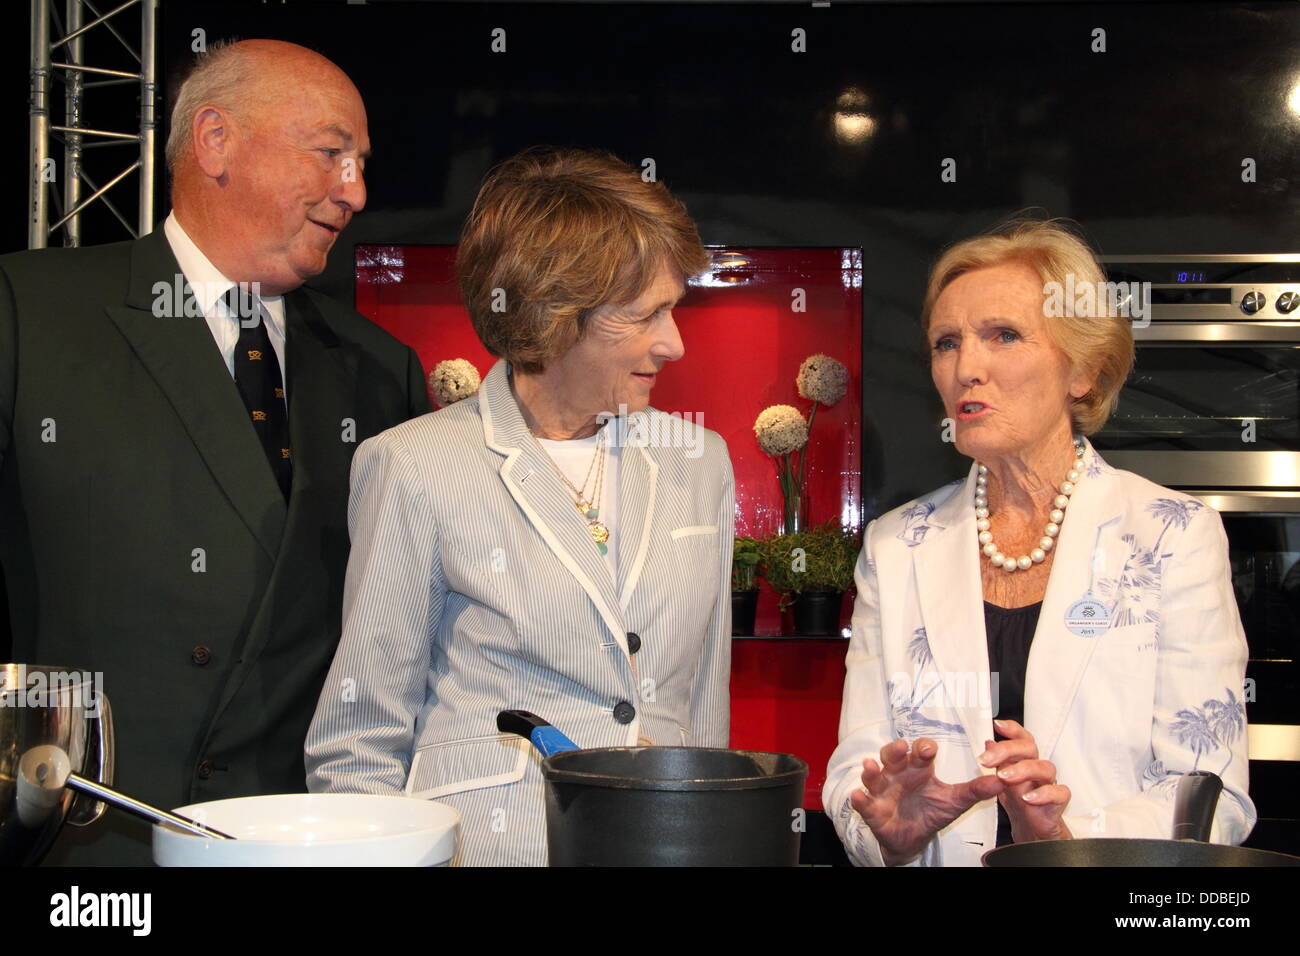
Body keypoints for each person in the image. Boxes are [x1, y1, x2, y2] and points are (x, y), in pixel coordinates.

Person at [0, 40, 429, 865]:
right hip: (95, 846)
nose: (356, 191)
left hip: (304, 838)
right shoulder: (32, 313)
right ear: (215, 140)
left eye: (362, 164)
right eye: (332, 152)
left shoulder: (381, 370)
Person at [306, 147, 733, 866]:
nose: (675, 342)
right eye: (647, 314)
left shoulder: (699, 460)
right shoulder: (413, 466)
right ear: (554, 312)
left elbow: (702, 706)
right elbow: (359, 739)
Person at [824, 218, 1256, 866]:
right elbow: (854, 769)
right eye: (947, 343)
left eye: (1003, 335)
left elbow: (1210, 793)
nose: (967, 367)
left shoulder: (1172, 535)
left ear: (1081, 369)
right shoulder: (896, 547)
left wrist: (1062, 842)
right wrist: (885, 831)